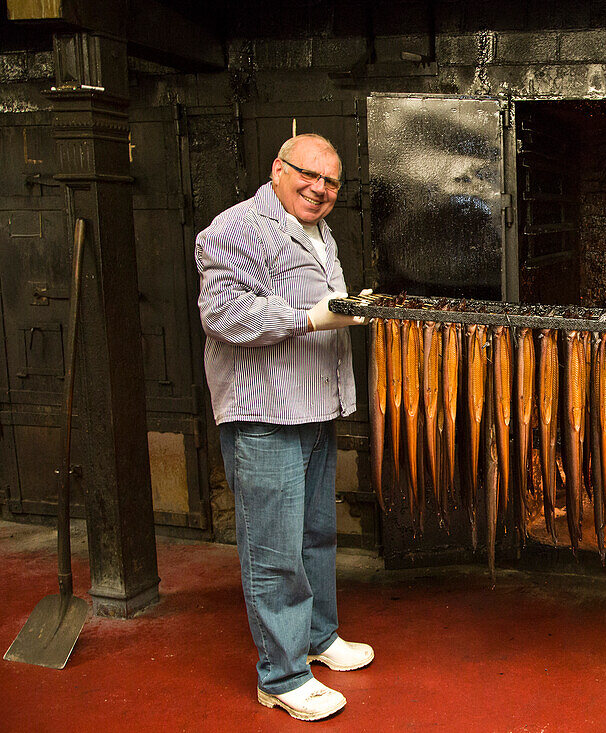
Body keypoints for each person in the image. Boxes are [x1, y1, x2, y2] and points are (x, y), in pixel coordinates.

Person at [196, 133, 372, 722]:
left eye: (331, 183)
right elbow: (222, 314)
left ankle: (318, 639)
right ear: (278, 168)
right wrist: (307, 317)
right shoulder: (233, 228)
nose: (319, 189)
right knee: (273, 549)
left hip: (317, 407)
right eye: (308, 175)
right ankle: (282, 674)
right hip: (265, 414)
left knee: (317, 534)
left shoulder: (319, 232)